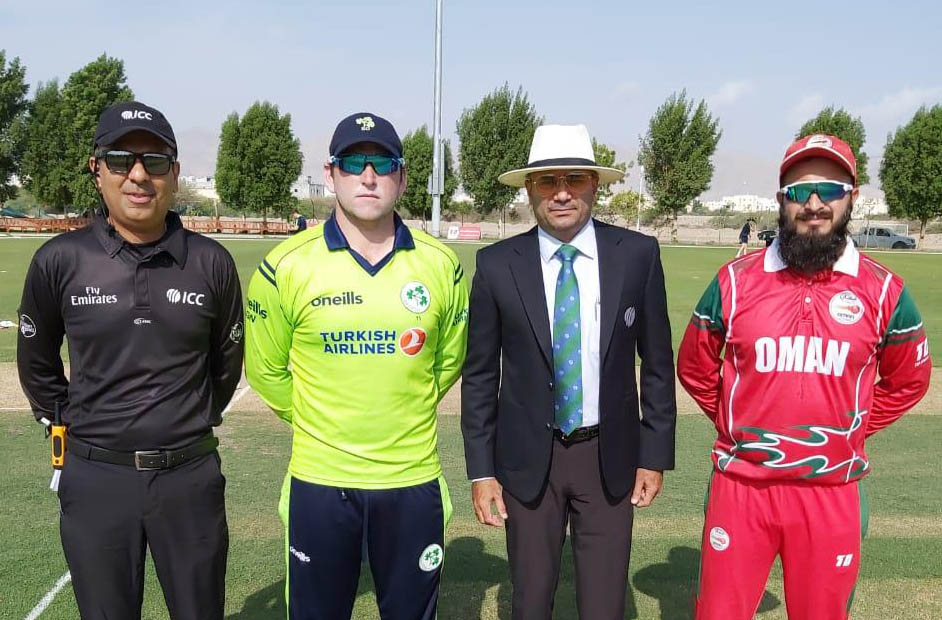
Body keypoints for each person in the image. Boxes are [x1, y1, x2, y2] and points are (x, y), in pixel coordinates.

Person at [677, 134, 932, 619]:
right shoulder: (735, 281)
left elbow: (907, 382)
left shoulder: (884, 291)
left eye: (830, 190)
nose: (814, 204)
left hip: (831, 494)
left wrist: (848, 429)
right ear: (781, 201)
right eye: (799, 191)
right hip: (742, 489)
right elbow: (694, 365)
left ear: (852, 198)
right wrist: (739, 421)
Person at [17, 101, 244, 619]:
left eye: (155, 161)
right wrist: (76, 421)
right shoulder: (61, 259)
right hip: (96, 480)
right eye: (121, 160)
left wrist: (187, 420)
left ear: (175, 174)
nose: (139, 175)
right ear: (98, 170)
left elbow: (225, 366)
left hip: (189, 478)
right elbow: (36, 359)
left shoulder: (211, 262)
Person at [244, 112, 469, 620]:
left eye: (382, 163)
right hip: (321, 483)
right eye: (353, 163)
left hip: (411, 480)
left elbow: (448, 360)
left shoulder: (441, 265)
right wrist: (327, 423)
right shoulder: (286, 266)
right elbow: (266, 370)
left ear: (402, 177)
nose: (368, 176)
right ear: (331, 174)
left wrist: (395, 411)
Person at [461, 124, 677, 619]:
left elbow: (658, 365)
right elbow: (478, 377)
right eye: (547, 182)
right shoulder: (496, 265)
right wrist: (482, 469)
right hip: (527, 460)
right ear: (529, 190)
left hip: (610, 457)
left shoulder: (637, 256)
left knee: (604, 604)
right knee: (531, 600)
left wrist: (653, 455)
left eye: (575, 179)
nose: (562, 193)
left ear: (595, 186)